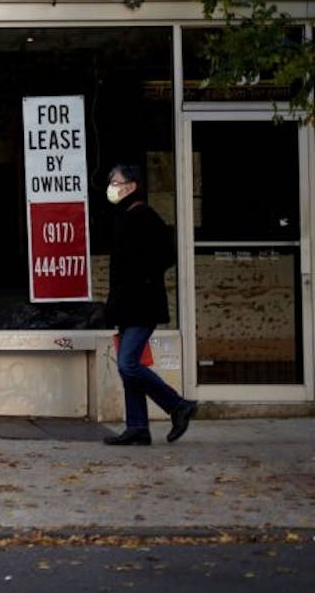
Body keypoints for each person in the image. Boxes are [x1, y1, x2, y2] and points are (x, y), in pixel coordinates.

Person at [102, 163, 198, 446]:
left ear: (131, 186)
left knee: (128, 364)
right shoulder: (126, 216)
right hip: (128, 306)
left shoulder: (144, 216)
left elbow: (165, 255)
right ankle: (137, 427)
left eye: (116, 182)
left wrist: (142, 277)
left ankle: (177, 405)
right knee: (127, 365)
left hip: (142, 304)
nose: (112, 187)